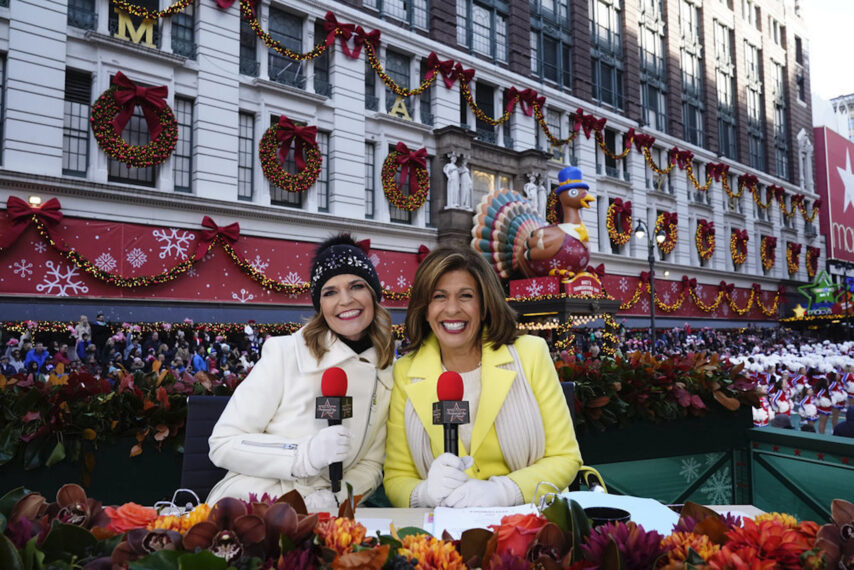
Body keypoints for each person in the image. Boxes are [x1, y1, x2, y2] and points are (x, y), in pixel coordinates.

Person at [383, 245, 581, 508]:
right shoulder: (404, 372)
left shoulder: (531, 355)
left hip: (528, 523)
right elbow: (397, 478)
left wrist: (503, 492)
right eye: (439, 296)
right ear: (425, 309)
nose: (452, 309)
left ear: (484, 305)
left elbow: (565, 458)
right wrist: (425, 493)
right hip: (445, 533)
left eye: (465, 296)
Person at [208, 234, 394, 510]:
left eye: (356, 286)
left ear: (373, 294)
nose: (345, 300)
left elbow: (371, 464)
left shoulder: (385, 371)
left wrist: (336, 498)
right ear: (320, 305)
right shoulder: (285, 353)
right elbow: (223, 443)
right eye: (330, 292)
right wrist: (300, 455)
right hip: (254, 502)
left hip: (328, 511)